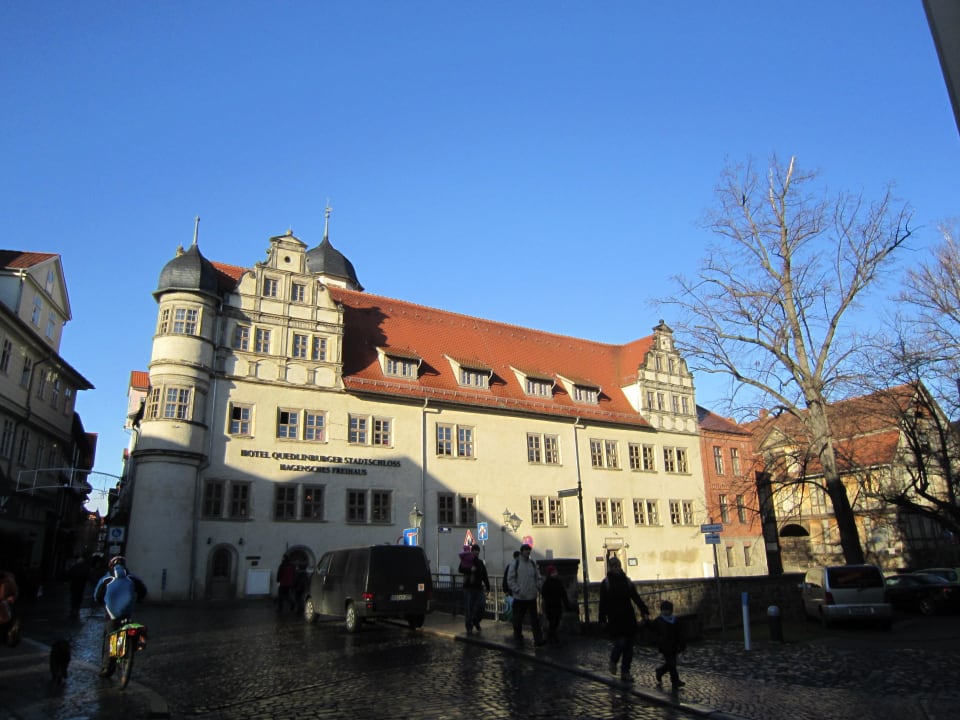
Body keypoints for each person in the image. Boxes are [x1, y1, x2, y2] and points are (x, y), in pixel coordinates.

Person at [93, 556, 147, 678]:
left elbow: (97, 595)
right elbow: (143, 590)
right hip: (127, 612)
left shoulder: (107, 578)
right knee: (125, 629)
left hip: (112, 613)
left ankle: (107, 667)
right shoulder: (131, 578)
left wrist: (100, 602)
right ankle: (127, 650)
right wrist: (139, 599)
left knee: (109, 637)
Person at [598, 556, 649, 683]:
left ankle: (625, 672)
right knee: (620, 643)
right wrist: (602, 619)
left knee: (629, 647)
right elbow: (602, 603)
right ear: (610, 568)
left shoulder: (627, 581)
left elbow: (636, 597)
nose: (617, 569)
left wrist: (644, 611)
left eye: (618, 566)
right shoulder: (606, 583)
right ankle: (614, 661)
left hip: (628, 616)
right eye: (614, 566)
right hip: (615, 618)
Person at [505, 544, 545, 646]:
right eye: (526, 550)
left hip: (531, 596)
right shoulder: (516, 563)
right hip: (520, 597)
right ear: (522, 551)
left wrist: (537, 586)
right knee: (518, 619)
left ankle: (538, 639)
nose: (528, 552)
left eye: (529, 550)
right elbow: (510, 580)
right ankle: (518, 637)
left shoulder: (532, 563)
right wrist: (518, 590)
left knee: (535, 620)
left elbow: (538, 577)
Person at [652, 599, 687, 689]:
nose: (666, 612)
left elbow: (680, 633)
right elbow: (654, 631)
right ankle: (675, 681)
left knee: (671, 663)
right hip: (664, 646)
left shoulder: (675, 620)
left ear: (671, 610)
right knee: (671, 663)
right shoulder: (659, 621)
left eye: (667, 610)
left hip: (674, 645)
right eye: (664, 610)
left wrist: (682, 645)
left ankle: (660, 671)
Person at [459, 544, 489, 635]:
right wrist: (470, 570)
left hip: (479, 588)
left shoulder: (480, 563)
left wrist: (488, 586)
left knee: (482, 605)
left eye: (477, 550)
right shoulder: (466, 560)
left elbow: (484, 575)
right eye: (475, 550)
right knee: (469, 608)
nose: (476, 552)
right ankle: (469, 626)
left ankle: (476, 621)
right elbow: (460, 569)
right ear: (472, 551)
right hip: (468, 588)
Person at [539, 564, 573, 644]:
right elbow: (544, 593)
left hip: (557, 605)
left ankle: (550, 636)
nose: (556, 573)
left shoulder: (558, 582)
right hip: (550, 606)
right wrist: (549, 600)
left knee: (556, 621)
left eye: (555, 571)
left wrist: (566, 604)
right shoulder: (547, 583)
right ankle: (554, 638)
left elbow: (563, 593)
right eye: (554, 572)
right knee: (552, 622)